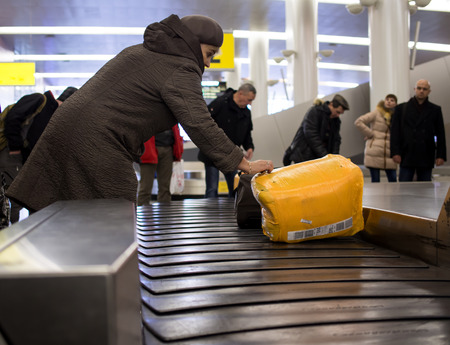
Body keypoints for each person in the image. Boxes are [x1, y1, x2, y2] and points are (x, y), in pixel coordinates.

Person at [6, 14, 274, 213]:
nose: (208, 62)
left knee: (71, 210)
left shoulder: (146, 52)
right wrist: (245, 164)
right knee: (117, 207)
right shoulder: (181, 65)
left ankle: (70, 271)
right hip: (98, 138)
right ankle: (105, 278)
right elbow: (199, 122)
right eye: (209, 53)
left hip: (68, 128)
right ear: (192, 43)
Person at [0, 87, 77, 223]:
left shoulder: (52, 115)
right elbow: (13, 117)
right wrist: (15, 149)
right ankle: (10, 234)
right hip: (10, 155)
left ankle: (16, 232)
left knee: (19, 198)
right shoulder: (40, 100)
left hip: (21, 160)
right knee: (14, 198)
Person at [198, 83, 256, 198]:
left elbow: (246, 133)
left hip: (232, 155)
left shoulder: (246, 112)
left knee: (236, 188)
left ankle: (235, 214)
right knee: (212, 188)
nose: (250, 103)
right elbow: (204, 124)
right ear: (240, 94)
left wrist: (249, 147)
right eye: (249, 99)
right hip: (212, 154)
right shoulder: (220, 103)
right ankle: (211, 214)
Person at [390, 79, 446, 182]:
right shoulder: (401, 109)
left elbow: (440, 133)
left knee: (425, 188)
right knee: (404, 187)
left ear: (429, 91)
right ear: (414, 89)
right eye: (419, 88)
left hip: (426, 153)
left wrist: (440, 155)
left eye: (424, 89)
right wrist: (395, 152)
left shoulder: (435, 110)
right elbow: (395, 133)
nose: (421, 91)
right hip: (407, 153)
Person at [283, 94, 349, 165]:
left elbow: (336, 139)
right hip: (304, 155)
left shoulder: (336, 121)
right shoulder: (315, 111)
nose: (338, 115)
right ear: (331, 104)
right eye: (337, 112)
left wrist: (334, 158)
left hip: (319, 157)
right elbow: (311, 135)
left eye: (340, 113)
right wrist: (325, 156)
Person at [354, 94, 398, 182]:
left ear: (396, 104)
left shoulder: (397, 116)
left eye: (392, 100)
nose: (389, 101)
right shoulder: (377, 113)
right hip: (374, 151)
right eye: (387, 99)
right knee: (375, 181)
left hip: (390, 152)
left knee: (393, 180)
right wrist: (370, 134)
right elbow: (358, 122)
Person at [137, 125, 183, 204]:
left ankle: (165, 215)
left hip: (168, 148)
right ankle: (143, 214)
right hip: (148, 149)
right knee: (145, 188)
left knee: (165, 188)